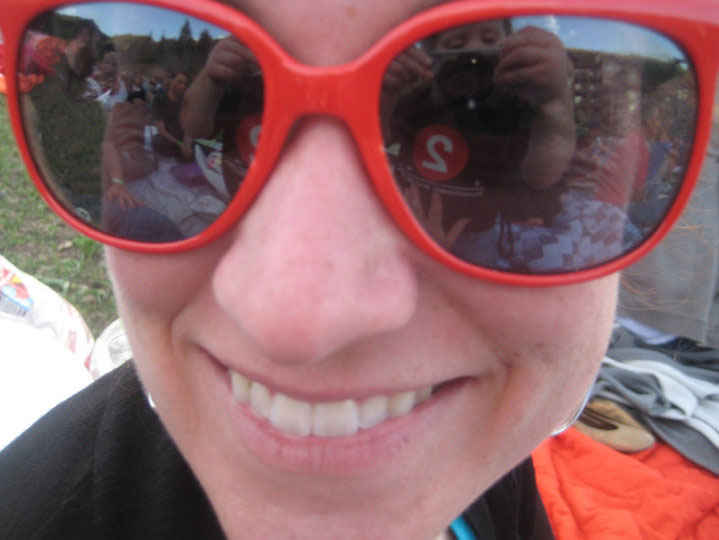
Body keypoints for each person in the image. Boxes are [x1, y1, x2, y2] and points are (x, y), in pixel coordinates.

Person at [0, 1, 709, 539]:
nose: (298, 320)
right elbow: (192, 122)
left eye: (466, 43)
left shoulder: (486, 461)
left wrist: (546, 112)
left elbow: (543, 175)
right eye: (216, 40)